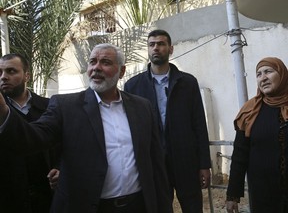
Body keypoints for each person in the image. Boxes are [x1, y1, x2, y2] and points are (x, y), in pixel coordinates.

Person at [0, 43, 173, 213]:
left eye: (105, 62)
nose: (96, 68)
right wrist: (3, 110)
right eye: (92, 62)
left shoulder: (142, 107)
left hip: (138, 206)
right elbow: (33, 137)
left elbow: (156, 163)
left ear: (121, 71)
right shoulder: (65, 107)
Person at [124, 29, 211, 213]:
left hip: (185, 161)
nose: (156, 48)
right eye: (152, 44)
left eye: (161, 44)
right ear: (147, 50)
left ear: (170, 49)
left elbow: (199, 125)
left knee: (193, 207)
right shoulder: (132, 86)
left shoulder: (187, 83)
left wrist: (204, 164)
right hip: (154, 162)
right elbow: (130, 130)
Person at [226, 57, 288, 213]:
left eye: (268, 71)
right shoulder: (250, 111)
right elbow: (240, 155)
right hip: (263, 194)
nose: (263, 78)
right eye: (259, 74)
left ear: (282, 74)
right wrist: (233, 195)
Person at [0, 53, 60, 213]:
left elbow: (66, 147)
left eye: (11, 71)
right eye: (0, 73)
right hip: (10, 201)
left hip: (48, 199)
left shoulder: (51, 107)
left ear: (27, 75)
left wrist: (61, 170)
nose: (3, 77)